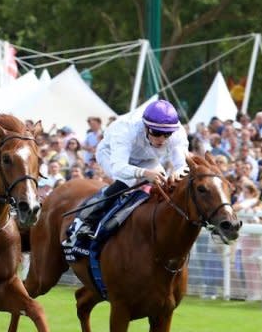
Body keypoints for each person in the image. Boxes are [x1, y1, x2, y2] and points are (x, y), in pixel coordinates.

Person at [72, 99, 188, 239]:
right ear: (145, 126)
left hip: (147, 159)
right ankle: (88, 219)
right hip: (110, 154)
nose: (162, 139)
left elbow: (182, 165)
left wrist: (177, 173)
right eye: (156, 133)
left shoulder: (177, 132)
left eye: (167, 134)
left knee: (163, 182)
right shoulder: (126, 128)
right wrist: (145, 173)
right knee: (129, 181)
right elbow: (119, 168)